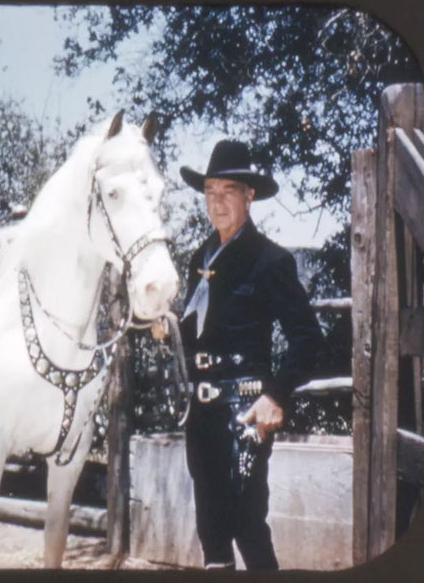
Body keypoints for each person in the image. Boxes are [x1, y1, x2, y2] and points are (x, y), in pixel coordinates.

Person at [156, 140, 323, 570]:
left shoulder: (270, 261)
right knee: (211, 532)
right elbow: (200, 336)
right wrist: (168, 329)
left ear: (249, 196)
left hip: (245, 415)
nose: (217, 201)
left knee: (247, 526)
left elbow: (309, 340)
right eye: (210, 191)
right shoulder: (201, 258)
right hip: (202, 415)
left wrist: (277, 395)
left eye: (228, 190)